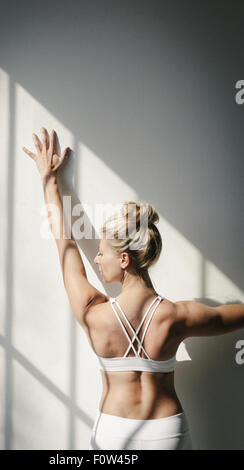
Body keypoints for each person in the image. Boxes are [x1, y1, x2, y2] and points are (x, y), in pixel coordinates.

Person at [23, 127, 244, 450]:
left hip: (114, 433)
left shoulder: (91, 311)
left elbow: (64, 243)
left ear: (124, 259)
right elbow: (231, 317)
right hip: (167, 433)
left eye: (101, 252)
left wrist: (49, 180)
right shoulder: (176, 316)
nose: (96, 259)